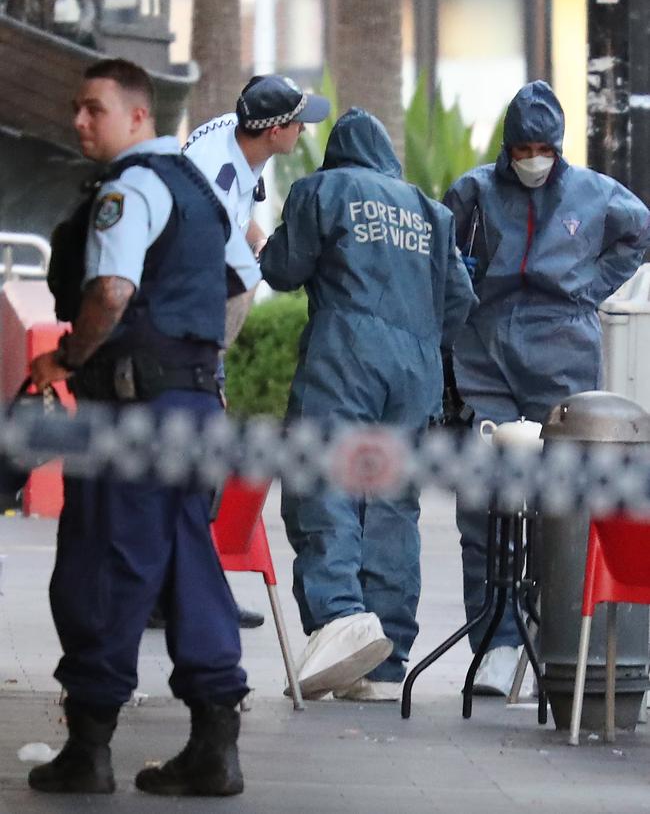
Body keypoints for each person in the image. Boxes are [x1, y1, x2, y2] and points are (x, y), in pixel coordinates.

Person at [28, 58, 248, 797]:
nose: (80, 122)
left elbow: (113, 291)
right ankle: (215, 745)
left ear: (138, 116)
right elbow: (240, 277)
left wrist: (67, 357)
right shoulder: (200, 190)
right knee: (189, 565)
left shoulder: (128, 189)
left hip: (132, 414)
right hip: (193, 410)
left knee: (104, 567)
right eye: (76, 109)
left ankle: (88, 750)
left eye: (94, 108)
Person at [259, 107, 477, 702]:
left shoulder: (324, 189)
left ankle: (341, 617)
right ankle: (384, 663)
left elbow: (282, 269)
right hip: (416, 371)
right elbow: (460, 300)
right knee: (390, 503)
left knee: (323, 477)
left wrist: (261, 240)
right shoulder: (430, 213)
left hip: (346, 354)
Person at [444, 80, 650, 696]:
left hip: (562, 350)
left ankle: (550, 638)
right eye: (522, 148)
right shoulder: (475, 191)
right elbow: (447, 258)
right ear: (507, 148)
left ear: (557, 148)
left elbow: (637, 231)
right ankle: (497, 644)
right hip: (485, 354)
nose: (532, 158)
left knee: (559, 508)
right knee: (485, 501)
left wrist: (589, 286)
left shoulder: (592, 192)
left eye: (543, 148)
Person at [184, 73, 330, 629]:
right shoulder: (217, 180)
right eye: (298, 121)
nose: (303, 128)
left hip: (201, 318)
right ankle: (191, 593)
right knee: (203, 456)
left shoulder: (234, 139)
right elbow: (211, 265)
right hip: (196, 322)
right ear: (273, 131)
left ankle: (180, 588)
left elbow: (240, 209)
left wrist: (261, 242)